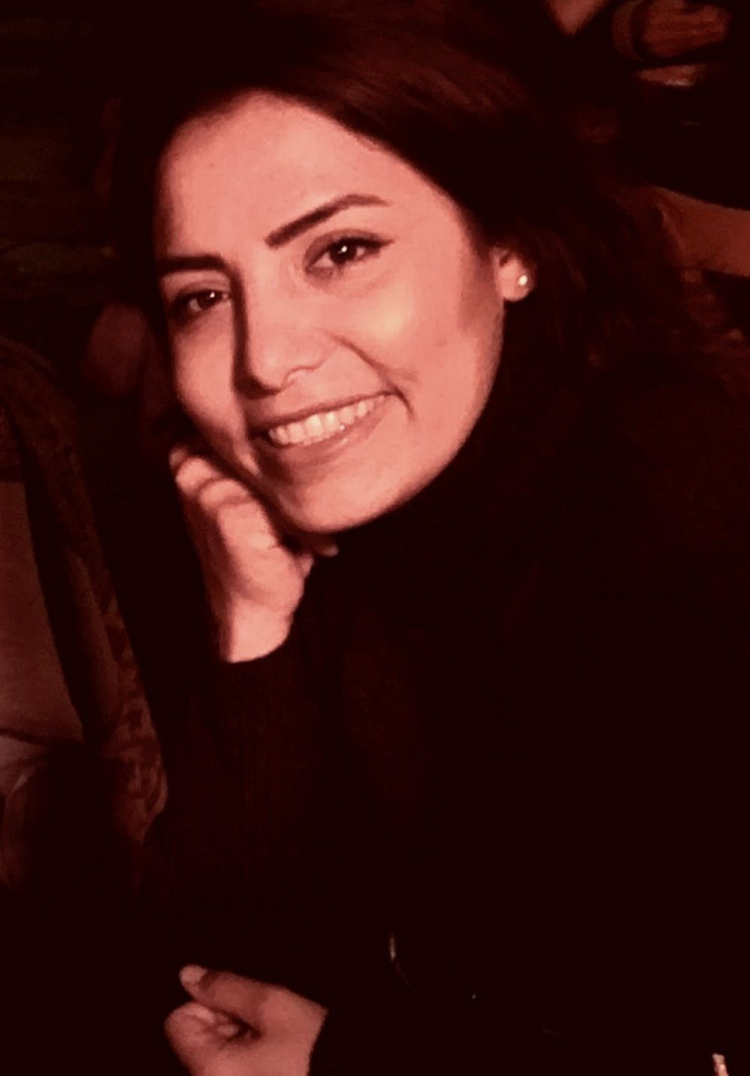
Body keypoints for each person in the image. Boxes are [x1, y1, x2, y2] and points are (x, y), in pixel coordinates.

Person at [106, 3, 750, 1073]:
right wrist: (254, 626)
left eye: (341, 250)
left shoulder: (685, 541)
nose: (264, 360)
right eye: (204, 296)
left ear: (510, 246)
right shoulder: (378, 505)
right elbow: (212, 979)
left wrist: (357, 1058)